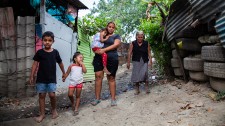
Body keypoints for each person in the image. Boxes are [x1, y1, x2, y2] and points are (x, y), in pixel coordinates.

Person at [29, 31, 65, 123]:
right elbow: (35, 64)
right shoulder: (39, 52)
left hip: (51, 78)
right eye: (45, 40)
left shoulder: (55, 52)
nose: (47, 42)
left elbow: (60, 63)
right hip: (41, 78)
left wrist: (64, 73)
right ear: (42, 41)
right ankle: (42, 114)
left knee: (52, 95)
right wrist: (32, 75)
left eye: (49, 40)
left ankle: (54, 110)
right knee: (41, 95)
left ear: (53, 41)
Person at [91, 21, 121, 106]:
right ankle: (97, 98)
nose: (111, 28)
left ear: (114, 29)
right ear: (107, 27)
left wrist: (104, 50)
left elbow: (116, 45)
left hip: (111, 58)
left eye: (113, 27)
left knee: (111, 78)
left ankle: (113, 99)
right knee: (98, 77)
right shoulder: (102, 34)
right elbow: (95, 42)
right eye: (109, 27)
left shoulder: (116, 36)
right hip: (98, 58)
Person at [62, 52, 87, 116]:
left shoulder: (81, 66)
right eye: (80, 57)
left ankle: (76, 109)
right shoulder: (71, 66)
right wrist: (64, 77)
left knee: (78, 96)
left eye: (82, 58)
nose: (81, 59)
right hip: (72, 83)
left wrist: (83, 64)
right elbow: (67, 73)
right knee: (70, 94)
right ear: (75, 59)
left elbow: (85, 71)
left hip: (79, 82)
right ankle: (73, 103)